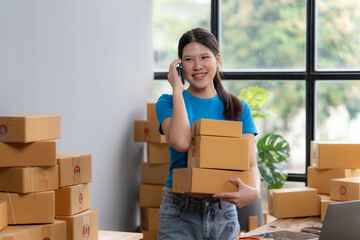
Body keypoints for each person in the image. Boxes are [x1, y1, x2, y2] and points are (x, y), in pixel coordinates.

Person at [155, 27, 261, 240]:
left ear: (217, 59)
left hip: (224, 210)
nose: (197, 66)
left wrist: (255, 191)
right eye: (188, 60)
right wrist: (177, 88)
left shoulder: (238, 108)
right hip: (179, 212)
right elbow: (182, 142)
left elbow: (250, 164)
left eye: (204, 57)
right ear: (179, 65)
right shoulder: (167, 103)